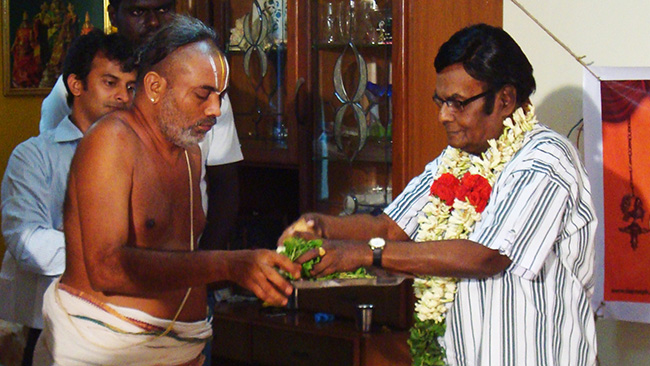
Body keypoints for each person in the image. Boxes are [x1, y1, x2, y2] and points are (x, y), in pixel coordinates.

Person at [279, 24, 597, 366]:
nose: (443, 115)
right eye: (441, 101)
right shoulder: (454, 162)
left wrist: (364, 255)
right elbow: (389, 229)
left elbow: (486, 256)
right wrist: (321, 226)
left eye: (458, 103)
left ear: (505, 99)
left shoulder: (546, 160)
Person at [32, 15, 300, 365]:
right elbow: (107, 268)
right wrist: (229, 265)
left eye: (220, 96)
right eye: (203, 94)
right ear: (155, 87)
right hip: (101, 349)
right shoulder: (112, 140)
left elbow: (180, 254)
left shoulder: (188, 149)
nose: (216, 109)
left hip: (181, 348)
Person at [38, 0, 243, 251]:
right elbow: (51, 171)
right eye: (138, 12)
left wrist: (203, 271)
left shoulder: (207, 92)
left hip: (185, 262)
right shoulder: (76, 91)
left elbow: (225, 186)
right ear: (114, 15)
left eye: (163, 10)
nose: (154, 22)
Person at [0, 29, 136, 366]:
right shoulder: (33, 156)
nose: (123, 96)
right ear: (76, 85)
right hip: (49, 328)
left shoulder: (142, 155)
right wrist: (115, 258)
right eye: (110, 83)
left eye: (130, 87)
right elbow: (29, 244)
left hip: (125, 323)